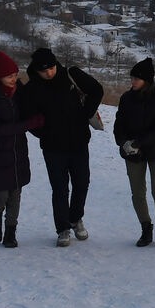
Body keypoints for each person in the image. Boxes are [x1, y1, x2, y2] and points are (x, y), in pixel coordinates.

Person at [23, 47, 103, 247]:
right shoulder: (32, 88)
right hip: (52, 147)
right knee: (59, 188)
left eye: (51, 67)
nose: (49, 72)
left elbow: (97, 90)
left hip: (78, 143)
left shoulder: (71, 74)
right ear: (36, 70)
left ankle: (75, 218)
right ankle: (63, 228)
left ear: (56, 64)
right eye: (44, 70)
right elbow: (27, 117)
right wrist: (43, 133)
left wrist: (86, 113)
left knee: (82, 183)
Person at [0, 52, 44, 248]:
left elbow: (31, 105)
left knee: (15, 194)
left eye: (15, 74)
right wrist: (29, 124)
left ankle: (11, 233)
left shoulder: (19, 90)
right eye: (10, 76)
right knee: (1, 195)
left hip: (16, 150)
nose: (14, 79)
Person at [113, 58, 155, 247]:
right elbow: (119, 124)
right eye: (132, 78)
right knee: (137, 193)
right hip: (132, 152)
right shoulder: (126, 98)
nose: (132, 82)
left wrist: (139, 143)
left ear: (147, 80)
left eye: (136, 79)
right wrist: (124, 143)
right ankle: (146, 229)